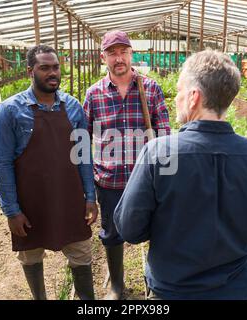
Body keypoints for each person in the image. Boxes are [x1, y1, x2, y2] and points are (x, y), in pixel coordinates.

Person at [114, 50, 247, 300]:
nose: (176, 99)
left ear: (194, 97)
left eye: (180, 91)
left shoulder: (159, 153)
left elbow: (129, 229)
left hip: (174, 290)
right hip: (240, 291)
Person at [0, 45, 98, 300]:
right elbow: (3, 163)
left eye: (55, 67)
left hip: (69, 197)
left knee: (81, 252)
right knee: (30, 254)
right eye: (44, 68)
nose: (52, 73)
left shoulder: (73, 107)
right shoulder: (9, 111)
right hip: (31, 202)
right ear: (30, 71)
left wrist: (90, 197)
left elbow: (84, 155)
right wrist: (12, 210)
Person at [83, 30, 171, 299]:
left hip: (144, 179)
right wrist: (86, 188)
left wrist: (166, 176)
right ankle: (116, 285)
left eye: (123, 52)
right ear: (103, 57)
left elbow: (164, 133)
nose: (118, 58)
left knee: (158, 229)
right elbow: (83, 139)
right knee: (111, 233)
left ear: (132, 54)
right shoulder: (94, 94)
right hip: (109, 180)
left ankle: (156, 279)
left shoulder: (150, 88)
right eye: (112, 53)